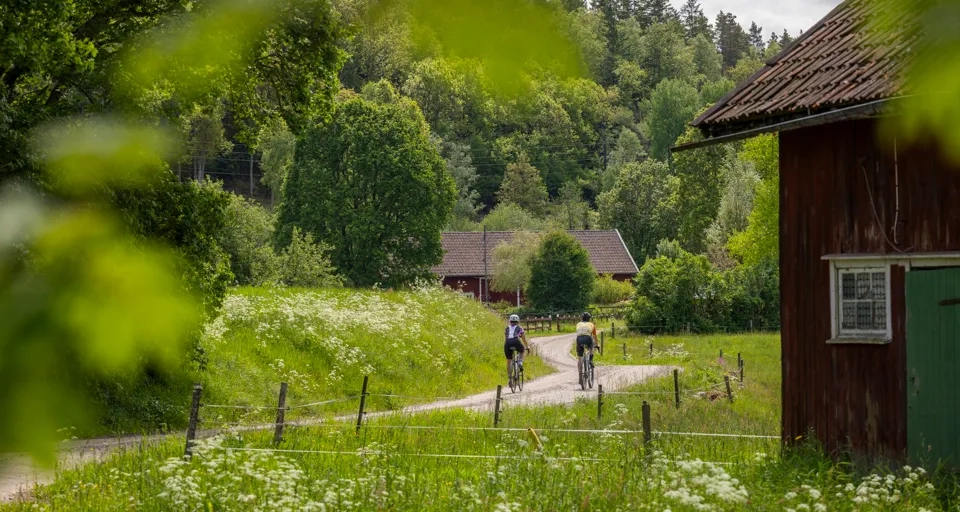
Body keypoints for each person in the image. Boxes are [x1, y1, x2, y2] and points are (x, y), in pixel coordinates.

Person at [504, 314, 529, 385]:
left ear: (510, 321)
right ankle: (520, 362)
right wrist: (527, 346)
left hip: (508, 343)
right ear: (518, 321)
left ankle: (509, 379)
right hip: (516, 341)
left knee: (508, 361)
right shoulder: (520, 328)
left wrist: (506, 345)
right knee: (522, 349)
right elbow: (523, 339)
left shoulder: (506, 328)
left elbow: (506, 339)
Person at [575, 312, 598, 378]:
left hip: (579, 339)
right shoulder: (591, 324)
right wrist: (596, 345)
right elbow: (594, 336)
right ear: (589, 319)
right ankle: (590, 359)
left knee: (579, 358)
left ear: (582, 318)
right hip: (588, 338)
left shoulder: (578, 324)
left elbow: (578, 332)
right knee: (591, 347)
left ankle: (580, 376)